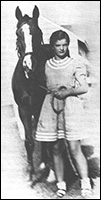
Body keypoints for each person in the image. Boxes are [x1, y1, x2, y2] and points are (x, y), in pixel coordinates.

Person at [35, 30, 92, 198]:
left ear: (68, 46)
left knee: (74, 148)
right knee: (56, 148)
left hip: (70, 107)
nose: (61, 48)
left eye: (64, 45)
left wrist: (68, 92)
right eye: (58, 45)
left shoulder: (75, 63)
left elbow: (84, 87)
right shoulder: (46, 64)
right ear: (52, 47)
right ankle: (61, 185)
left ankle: (86, 184)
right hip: (51, 108)